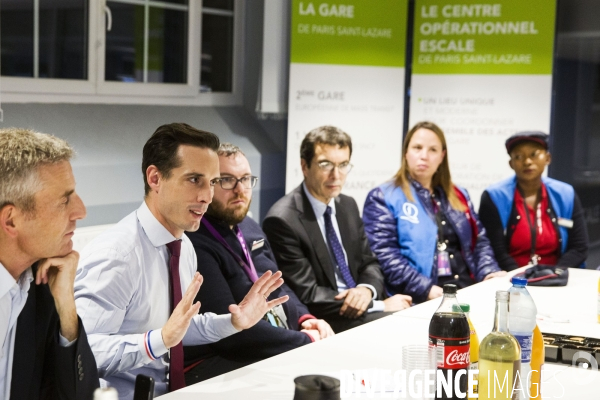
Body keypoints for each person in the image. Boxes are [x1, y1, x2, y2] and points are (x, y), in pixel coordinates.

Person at [75, 123, 288, 400]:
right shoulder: (118, 256)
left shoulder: (183, 245)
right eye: (194, 180)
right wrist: (159, 340)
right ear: (155, 179)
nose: (207, 196)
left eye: (211, 182)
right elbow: (84, 353)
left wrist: (234, 322)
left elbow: (178, 330)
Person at [184, 143, 334, 383]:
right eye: (226, 180)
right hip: (217, 360)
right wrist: (305, 342)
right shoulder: (196, 243)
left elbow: (279, 286)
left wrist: (306, 319)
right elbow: (231, 335)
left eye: (245, 179)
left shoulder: (250, 228)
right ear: (207, 184)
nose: (239, 190)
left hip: (270, 343)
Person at [263, 126, 412, 333]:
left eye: (343, 165)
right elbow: (308, 294)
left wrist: (365, 290)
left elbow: (369, 263)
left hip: (359, 308)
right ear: (304, 166)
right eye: (326, 165)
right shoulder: (282, 220)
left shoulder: (347, 205)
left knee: (412, 317)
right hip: (325, 320)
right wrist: (378, 304)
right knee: (401, 323)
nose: (336, 175)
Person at [0, 128, 99, 399]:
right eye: (64, 200)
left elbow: (83, 395)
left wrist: (66, 307)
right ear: (11, 221)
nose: (81, 211)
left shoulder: (39, 287)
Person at [362, 121, 504, 304]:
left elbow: (480, 243)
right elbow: (385, 255)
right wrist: (426, 289)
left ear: (442, 156)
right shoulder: (383, 196)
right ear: (406, 152)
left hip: (466, 291)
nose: (424, 156)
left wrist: (489, 273)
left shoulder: (459, 194)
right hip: (418, 298)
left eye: (433, 150)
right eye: (417, 148)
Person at [479, 131, 588, 271]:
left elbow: (579, 247)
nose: (527, 162)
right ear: (511, 163)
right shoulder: (494, 196)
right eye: (518, 156)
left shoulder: (565, 194)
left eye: (534, 154)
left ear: (548, 158)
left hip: (558, 276)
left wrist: (554, 274)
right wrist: (520, 278)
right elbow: (495, 250)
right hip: (510, 278)